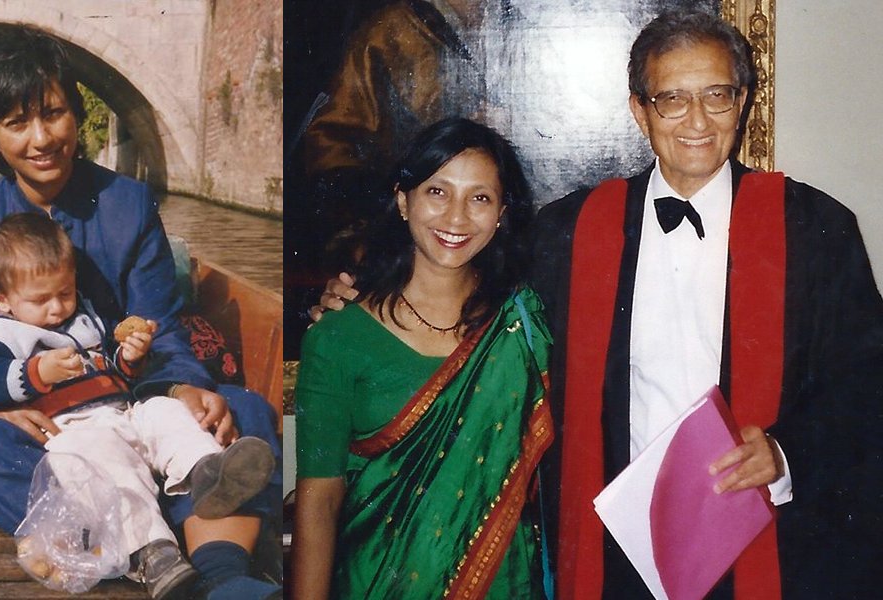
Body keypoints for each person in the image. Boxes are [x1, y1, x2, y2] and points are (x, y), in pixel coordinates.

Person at [317, 10, 883, 599]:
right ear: (640, 111)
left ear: (741, 101)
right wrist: (359, 297)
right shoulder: (571, 230)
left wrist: (786, 451)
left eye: (716, 96)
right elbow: (463, 291)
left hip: (764, 545)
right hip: (613, 552)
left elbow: (867, 385)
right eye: (672, 99)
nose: (696, 120)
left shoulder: (816, 228)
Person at [0, 28, 283, 600]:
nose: (41, 139)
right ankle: (155, 535)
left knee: (243, 412)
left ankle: (218, 570)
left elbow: (161, 325)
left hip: (133, 400)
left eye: (54, 115)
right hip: (46, 424)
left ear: (78, 116)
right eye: (17, 124)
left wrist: (185, 387)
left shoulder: (129, 205)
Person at [292, 118, 553, 599]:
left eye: (480, 198)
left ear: (501, 214)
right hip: (376, 582)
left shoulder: (526, 324)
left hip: (503, 584)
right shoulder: (337, 337)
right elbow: (319, 499)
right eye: (437, 191)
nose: (456, 218)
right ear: (402, 200)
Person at [0, 212, 276, 598]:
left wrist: (131, 356)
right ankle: (152, 551)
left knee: (167, 412)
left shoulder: (84, 317)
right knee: (101, 466)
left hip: (124, 409)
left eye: (65, 293)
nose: (57, 308)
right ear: (2, 299)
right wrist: (38, 371)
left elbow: (112, 367)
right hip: (73, 428)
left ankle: (207, 472)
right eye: (40, 300)